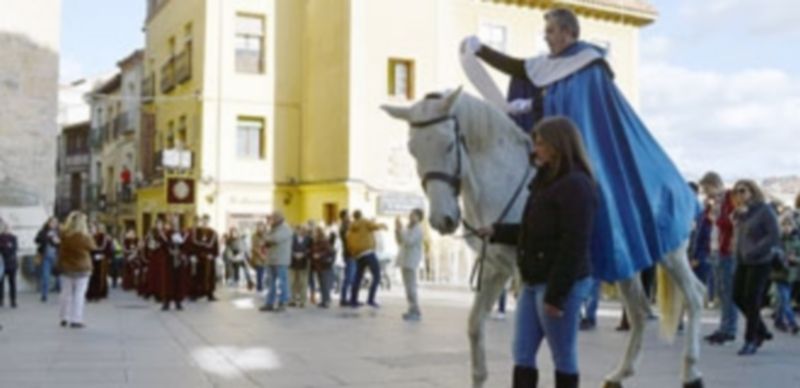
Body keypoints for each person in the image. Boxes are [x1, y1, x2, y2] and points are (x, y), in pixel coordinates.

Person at [462, 8, 697, 297]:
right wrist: (481, 51)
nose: (546, 38)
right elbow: (522, 69)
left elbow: (577, 109)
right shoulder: (552, 64)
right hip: (564, 145)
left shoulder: (589, 64)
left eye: (550, 31)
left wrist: (532, 107)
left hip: (589, 148)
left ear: (567, 32)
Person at [479, 117, 596, 388]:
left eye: (541, 143)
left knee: (563, 357)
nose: (536, 149)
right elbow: (533, 231)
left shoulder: (576, 185)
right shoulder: (545, 182)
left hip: (558, 284)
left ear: (558, 145)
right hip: (534, 282)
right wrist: (497, 231)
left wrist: (557, 295)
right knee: (521, 353)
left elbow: (574, 244)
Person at [731, 180, 780, 356]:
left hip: (760, 261)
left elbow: (774, 235)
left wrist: (756, 250)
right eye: (737, 192)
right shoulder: (742, 213)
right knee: (737, 296)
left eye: (743, 191)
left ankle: (750, 340)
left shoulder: (764, 210)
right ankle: (761, 329)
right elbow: (739, 235)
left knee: (752, 299)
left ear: (752, 191)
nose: (739, 195)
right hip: (742, 260)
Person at [698, 172, 739, 345]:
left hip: (727, 250)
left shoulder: (730, 198)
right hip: (715, 249)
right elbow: (707, 222)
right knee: (721, 291)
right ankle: (723, 326)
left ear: (714, 185)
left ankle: (729, 329)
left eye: (706, 189)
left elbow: (732, 222)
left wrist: (716, 218)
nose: (706, 193)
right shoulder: (715, 202)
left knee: (728, 291)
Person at [56, 211, 96, 328]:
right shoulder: (84, 237)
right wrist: (91, 234)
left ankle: (64, 317)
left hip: (67, 267)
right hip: (82, 268)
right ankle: (76, 319)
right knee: (79, 294)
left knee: (66, 293)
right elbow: (93, 247)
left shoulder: (64, 236)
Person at [346, 210, 387, 309]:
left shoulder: (350, 229)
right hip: (368, 252)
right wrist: (382, 225)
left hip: (358, 255)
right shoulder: (364, 222)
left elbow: (349, 245)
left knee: (358, 277)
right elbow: (374, 226)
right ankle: (370, 299)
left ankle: (353, 300)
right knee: (376, 276)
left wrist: (354, 254)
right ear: (361, 215)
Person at [260, 211, 293, 312]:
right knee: (271, 283)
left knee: (282, 282)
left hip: (280, 260)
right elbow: (264, 241)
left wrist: (266, 237)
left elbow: (275, 239)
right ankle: (269, 303)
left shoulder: (285, 229)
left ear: (279, 218)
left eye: (273, 218)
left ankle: (282, 302)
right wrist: (266, 238)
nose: (271, 220)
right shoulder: (272, 229)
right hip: (271, 260)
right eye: (271, 218)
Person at [772, 215, 800, 334]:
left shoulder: (796, 241)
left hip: (791, 274)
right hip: (779, 273)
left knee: (783, 300)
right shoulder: (777, 240)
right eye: (784, 225)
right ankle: (793, 322)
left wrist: (795, 259)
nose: (786, 228)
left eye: (788, 225)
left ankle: (778, 320)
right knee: (785, 299)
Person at [395, 209, 425, 321]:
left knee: (411, 287)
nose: (411, 217)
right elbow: (400, 241)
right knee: (408, 287)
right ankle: (411, 308)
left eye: (414, 216)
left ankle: (415, 310)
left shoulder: (418, 230)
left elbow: (408, 241)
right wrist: (397, 230)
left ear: (419, 218)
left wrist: (401, 230)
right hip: (404, 260)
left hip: (411, 261)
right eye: (410, 215)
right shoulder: (408, 228)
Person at [188, 215, 220, 301]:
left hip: (209, 258)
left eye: (207, 221)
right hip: (199, 257)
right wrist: (193, 255)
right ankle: (196, 293)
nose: (205, 222)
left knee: (209, 276)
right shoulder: (196, 232)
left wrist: (213, 255)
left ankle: (210, 294)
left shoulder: (213, 233)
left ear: (209, 222)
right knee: (198, 275)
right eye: (203, 221)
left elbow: (216, 246)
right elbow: (193, 245)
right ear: (201, 221)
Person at [35, 217, 60, 302]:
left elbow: (62, 243)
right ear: (48, 223)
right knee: (45, 275)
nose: (53, 224)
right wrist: (47, 237)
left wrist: (57, 241)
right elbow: (37, 240)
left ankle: (61, 292)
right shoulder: (43, 231)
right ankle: (44, 294)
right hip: (46, 256)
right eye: (52, 222)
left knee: (60, 276)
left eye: (55, 222)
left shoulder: (59, 232)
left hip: (57, 256)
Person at [86, 223, 113, 302]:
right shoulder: (94, 237)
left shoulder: (106, 238)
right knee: (92, 276)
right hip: (93, 258)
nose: (100, 230)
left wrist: (106, 256)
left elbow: (107, 248)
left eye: (101, 228)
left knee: (100, 276)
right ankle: (91, 293)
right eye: (99, 228)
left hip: (102, 259)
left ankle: (100, 292)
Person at [310, 226, 335, 308]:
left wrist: (319, 255)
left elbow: (329, 251)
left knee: (324, 283)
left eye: (315, 232)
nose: (313, 234)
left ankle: (326, 300)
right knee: (321, 283)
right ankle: (324, 300)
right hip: (319, 265)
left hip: (323, 265)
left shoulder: (323, 240)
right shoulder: (316, 241)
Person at [289, 225, 312, 308]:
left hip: (304, 263)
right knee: (292, 282)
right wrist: (294, 254)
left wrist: (303, 254)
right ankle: (292, 299)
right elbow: (289, 248)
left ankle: (303, 301)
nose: (301, 232)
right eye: (299, 230)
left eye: (303, 230)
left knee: (303, 282)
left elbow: (310, 249)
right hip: (293, 262)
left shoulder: (309, 239)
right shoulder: (292, 238)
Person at [338, 210, 356, 307]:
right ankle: (344, 298)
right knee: (349, 277)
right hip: (349, 254)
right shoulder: (344, 228)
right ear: (344, 217)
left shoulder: (348, 227)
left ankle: (352, 298)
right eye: (348, 216)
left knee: (352, 278)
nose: (350, 218)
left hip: (352, 254)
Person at [0, 220, 19, 308]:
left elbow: (14, 249)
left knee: (12, 282)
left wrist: (5, 247)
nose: (6, 229)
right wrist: (7, 246)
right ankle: (1, 300)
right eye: (5, 227)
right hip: (2, 263)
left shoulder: (14, 238)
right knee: (1, 283)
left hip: (11, 262)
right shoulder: (0, 237)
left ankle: (13, 301)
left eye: (8, 227)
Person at [250, 221, 270, 293]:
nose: (259, 228)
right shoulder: (254, 236)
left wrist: (265, 254)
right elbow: (253, 247)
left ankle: (267, 286)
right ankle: (259, 287)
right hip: (258, 256)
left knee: (267, 272)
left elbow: (269, 245)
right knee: (259, 272)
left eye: (261, 226)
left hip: (267, 255)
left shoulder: (268, 235)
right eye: (258, 226)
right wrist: (260, 254)